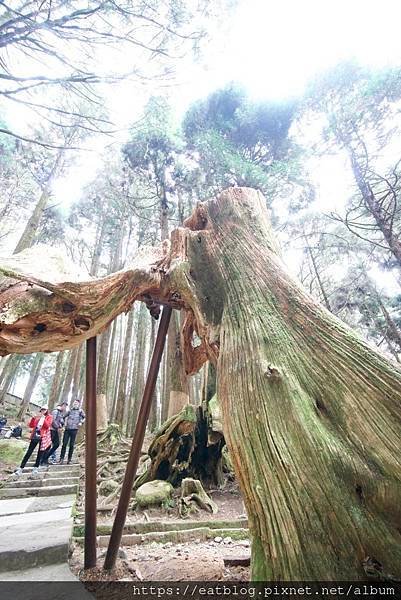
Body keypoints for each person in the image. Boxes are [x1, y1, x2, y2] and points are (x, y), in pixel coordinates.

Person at [14, 407, 53, 476]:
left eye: (44, 410)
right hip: (35, 435)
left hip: (43, 436)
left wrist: (43, 418)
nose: (43, 411)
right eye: (42, 410)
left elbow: (47, 426)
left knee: (40, 453)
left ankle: (36, 468)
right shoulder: (38, 416)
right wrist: (33, 418)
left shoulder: (49, 417)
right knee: (29, 451)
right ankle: (21, 467)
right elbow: (31, 425)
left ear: (47, 410)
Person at [42, 401, 68, 465]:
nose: (65, 408)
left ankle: (46, 457)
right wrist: (58, 427)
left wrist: (62, 425)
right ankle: (43, 460)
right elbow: (52, 420)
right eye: (64, 406)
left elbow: (61, 421)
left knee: (56, 444)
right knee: (48, 445)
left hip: (56, 430)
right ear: (62, 406)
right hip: (51, 430)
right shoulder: (55, 411)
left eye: (66, 407)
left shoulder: (61, 413)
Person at [59, 399, 85, 464]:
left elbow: (84, 417)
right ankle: (61, 459)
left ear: (79, 404)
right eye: (74, 403)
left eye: (76, 403)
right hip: (67, 429)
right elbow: (63, 417)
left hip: (74, 429)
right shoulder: (70, 410)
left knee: (71, 445)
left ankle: (69, 460)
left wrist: (81, 422)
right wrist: (63, 423)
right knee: (64, 444)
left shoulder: (80, 411)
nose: (75, 404)